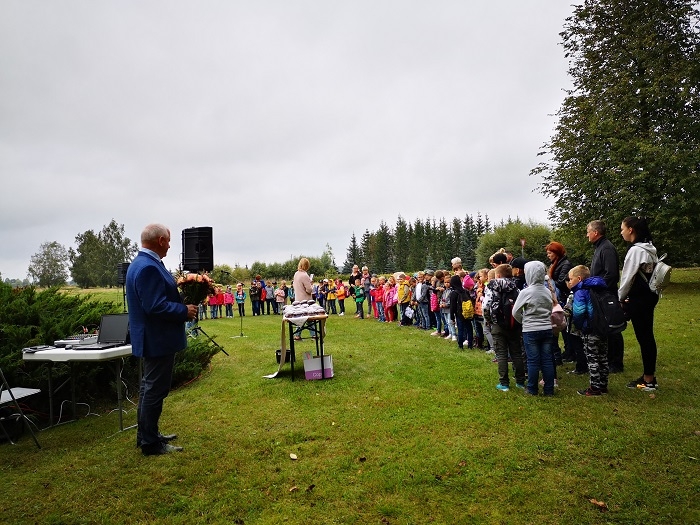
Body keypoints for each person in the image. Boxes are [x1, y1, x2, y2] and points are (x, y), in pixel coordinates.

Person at [126, 224, 197, 456]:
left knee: (149, 389)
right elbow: (155, 306)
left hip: (153, 337)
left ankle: (147, 435)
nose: (169, 245)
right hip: (157, 338)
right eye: (168, 240)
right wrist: (183, 310)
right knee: (154, 391)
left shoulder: (142, 263)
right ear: (159, 240)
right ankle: (150, 443)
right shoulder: (148, 267)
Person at [619, 217, 660, 391]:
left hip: (640, 299)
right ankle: (647, 375)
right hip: (650, 295)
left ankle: (649, 380)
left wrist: (621, 296)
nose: (621, 232)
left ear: (631, 230)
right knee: (647, 336)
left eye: (623, 228)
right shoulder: (650, 248)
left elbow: (628, 277)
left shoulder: (636, 251)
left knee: (644, 337)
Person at [512, 261, 555, 396]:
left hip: (530, 330)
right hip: (547, 328)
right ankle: (549, 389)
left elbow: (515, 312)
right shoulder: (547, 291)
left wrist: (523, 321)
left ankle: (532, 389)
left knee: (533, 360)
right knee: (547, 360)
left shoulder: (525, 292)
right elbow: (550, 307)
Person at [587, 220, 624, 373]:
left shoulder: (607, 248)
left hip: (607, 294)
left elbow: (611, 274)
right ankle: (608, 359)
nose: (587, 234)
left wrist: (594, 284)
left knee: (612, 328)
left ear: (596, 232)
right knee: (604, 326)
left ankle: (616, 363)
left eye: (588, 231)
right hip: (600, 294)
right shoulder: (599, 247)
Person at [569, 264, 610, 396]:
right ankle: (603, 385)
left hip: (590, 329)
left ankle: (595, 387)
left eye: (570, 279)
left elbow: (579, 312)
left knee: (592, 358)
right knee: (603, 357)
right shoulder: (600, 288)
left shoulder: (580, 292)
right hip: (603, 328)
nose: (569, 282)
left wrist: (580, 326)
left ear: (579, 279)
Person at [486, 264, 525, 392]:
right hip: (514, 324)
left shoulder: (492, 287)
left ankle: (504, 383)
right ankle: (520, 381)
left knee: (501, 354)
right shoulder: (517, 288)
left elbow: (486, 306)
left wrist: (489, 320)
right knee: (516, 353)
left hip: (498, 324)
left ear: (497, 275)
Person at [292, 258, 315, 339]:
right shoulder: (305, 275)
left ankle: (298, 335)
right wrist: (311, 285)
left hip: (298, 299)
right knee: (309, 318)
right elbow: (309, 290)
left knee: (301, 318)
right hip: (305, 300)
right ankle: (313, 334)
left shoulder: (296, 274)